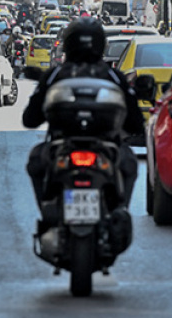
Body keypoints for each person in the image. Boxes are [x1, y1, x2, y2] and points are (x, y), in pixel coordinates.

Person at [22, 19, 145, 231]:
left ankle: (49, 214)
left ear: (67, 44)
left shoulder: (54, 75)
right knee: (129, 163)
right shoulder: (114, 76)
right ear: (101, 45)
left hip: (63, 149)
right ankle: (119, 211)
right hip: (104, 150)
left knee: (36, 159)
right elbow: (136, 123)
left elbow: (30, 119)